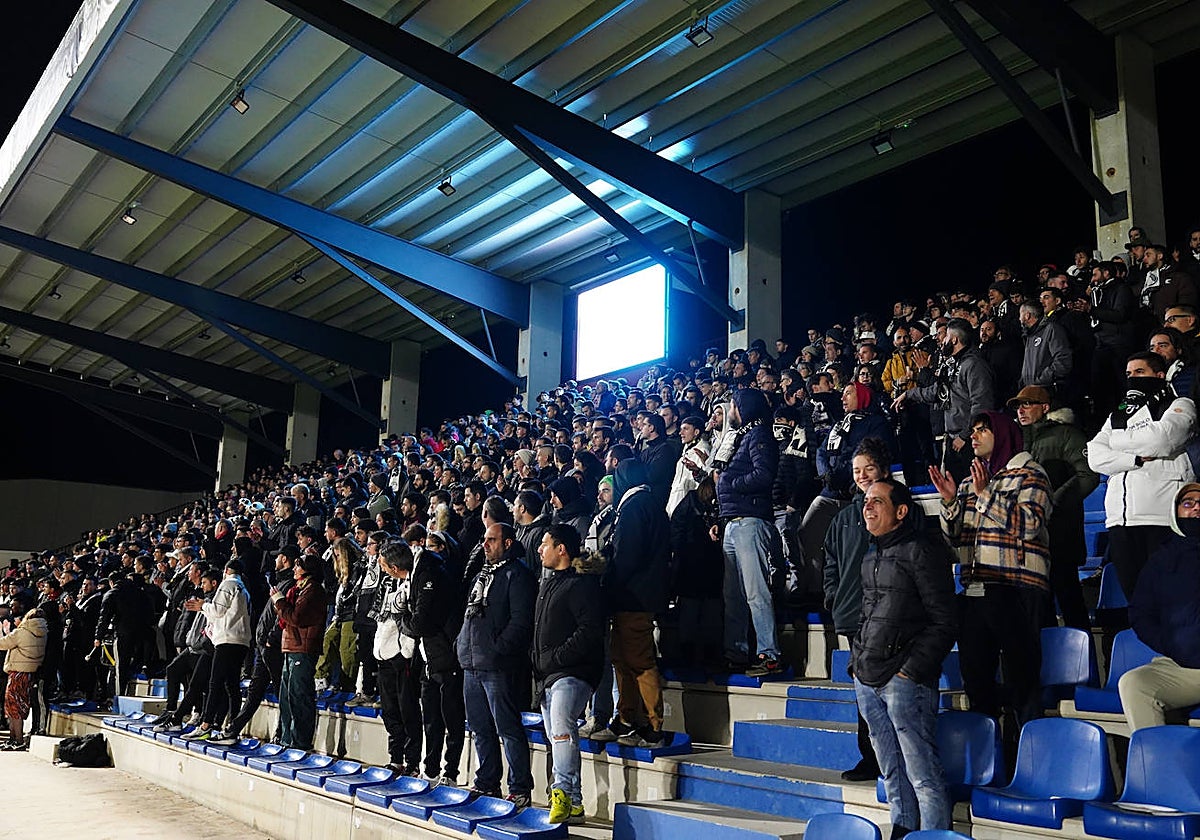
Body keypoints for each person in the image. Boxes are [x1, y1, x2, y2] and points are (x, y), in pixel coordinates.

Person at [931, 411, 1052, 728]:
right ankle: (990, 756)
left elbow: (1028, 524)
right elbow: (955, 537)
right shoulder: (971, 481)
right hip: (976, 590)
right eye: (972, 431)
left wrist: (986, 495)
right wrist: (949, 503)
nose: (974, 436)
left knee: (1022, 679)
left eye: (983, 430)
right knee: (976, 679)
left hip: (1017, 588)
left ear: (1003, 434)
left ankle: (1027, 753)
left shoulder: (1031, 474)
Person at [852, 478, 956, 838]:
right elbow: (866, 616)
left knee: (922, 774)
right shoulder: (870, 557)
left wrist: (909, 672)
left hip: (904, 681)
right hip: (868, 679)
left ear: (900, 511)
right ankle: (903, 830)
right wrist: (857, 666)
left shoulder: (921, 551)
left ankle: (933, 835)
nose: (868, 506)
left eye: (877, 501)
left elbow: (945, 621)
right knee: (892, 772)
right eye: (866, 501)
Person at [1087, 352, 1197, 612]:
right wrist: (1135, 458)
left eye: (1139, 372)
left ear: (1159, 376)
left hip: (1161, 517)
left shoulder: (1179, 404)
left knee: (1172, 602)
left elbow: (1162, 439)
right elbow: (1094, 454)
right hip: (1120, 519)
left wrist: (1115, 441)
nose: (1132, 379)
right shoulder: (1118, 415)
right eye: (1128, 374)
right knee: (1139, 605)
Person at [823, 438, 898, 782]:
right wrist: (833, 596)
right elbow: (830, 563)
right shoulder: (843, 518)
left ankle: (894, 759)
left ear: (883, 470)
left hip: (892, 616)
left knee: (893, 693)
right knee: (864, 696)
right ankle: (870, 758)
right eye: (857, 470)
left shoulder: (899, 508)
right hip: (856, 617)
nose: (863, 475)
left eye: (869, 468)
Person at [456, 522, 537, 808]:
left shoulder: (518, 575)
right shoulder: (481, 575)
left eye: (492, 540)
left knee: (508, 728)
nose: (485, 544)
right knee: (480, 728)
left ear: (508, 543)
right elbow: (468, 615)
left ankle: (519, 788)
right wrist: (461, 645)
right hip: (471, 663)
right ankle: (487, 781)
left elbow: (520, 621)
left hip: (499, 666)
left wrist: (498, 650)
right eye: (484, 539)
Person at [1009, 386, 1099, 631]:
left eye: (1027, 404)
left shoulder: (1067, 434)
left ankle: (1084, 657)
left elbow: (1088, 474)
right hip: (1032, 536)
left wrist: (1053, 502)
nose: (1021, 410)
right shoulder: (1018, 438)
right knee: (1040, 606)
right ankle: (1048, 662)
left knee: (1070, 599)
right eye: (1018, 406)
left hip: (1061, 532)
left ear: (1045, 407)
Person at [533, 525, 605, 826]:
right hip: (548, 675)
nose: (539, 549)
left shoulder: (582, 585)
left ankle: (561, 792)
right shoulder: (549, 583)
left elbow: (589, 631)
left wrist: (557, 657)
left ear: (561, 549)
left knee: (562, 731)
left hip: (572, 673)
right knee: (556, 736)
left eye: (545, 544)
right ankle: (574, 802)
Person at [1118, 484, 1200, 730]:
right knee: (1134, 683)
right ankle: (1154, 767)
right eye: (1188, 503)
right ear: (1175, 512)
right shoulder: (1161, 560)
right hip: (1180, 665)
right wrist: (1171, 644)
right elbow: (1141, 613)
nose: (1196, 507)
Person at [713, 388, 781, 676]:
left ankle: (770, 655)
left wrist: (731, 484)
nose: (730, 411)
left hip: (751, 521)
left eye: (733, 406)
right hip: (733, 523)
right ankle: (737, 653)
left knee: (756, 592)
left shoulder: (759, 435)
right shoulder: (741, 437)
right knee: (734, 595)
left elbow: (764, 474)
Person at [604, 459, 671, 745]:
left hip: (634, 599)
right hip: (635, 598)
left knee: (638, 661)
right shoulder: (649, 503)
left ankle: (654, 727)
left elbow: (627, 557)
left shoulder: (634, 507)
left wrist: (608, 578)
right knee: (622, 659)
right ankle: (626, 718)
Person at [211, 545, 297, 745]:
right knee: (254, 692)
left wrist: (271, 638)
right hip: (264, 646)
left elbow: (281, 616)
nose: (274, 561)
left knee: (280, 692)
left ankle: (283, 735)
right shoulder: (280, 583)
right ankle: (233, 730)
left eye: (278, 557)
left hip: (272, 647)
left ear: (285, 559)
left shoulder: (289, 584)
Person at [897, 318, 996, 485]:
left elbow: (982, 405)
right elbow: (937, 392)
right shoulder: (953, 364)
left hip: (969, 441)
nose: (942, 341)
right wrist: (908, 394)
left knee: (972, 492)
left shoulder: (974, 365)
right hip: (952, 438)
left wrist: (965, 436)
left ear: (954, 339)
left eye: (946, 337)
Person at [183, 558, 252, 741]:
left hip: (227, 641)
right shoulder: (243, 588)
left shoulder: (228, 584)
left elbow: (217, 611)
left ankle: (206, 725)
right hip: (241, 641)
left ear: (227, 570)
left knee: (215, 683)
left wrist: (202, 606)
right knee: (232, 686)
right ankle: (231, 729)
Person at [373, 540, 425, 776]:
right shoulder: (387, 583)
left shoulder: (412, 585)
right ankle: (396, 758)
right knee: (390, 711)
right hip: (383, 655)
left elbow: (409, 618)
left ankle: (412, 762)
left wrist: (406, 651)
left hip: (401, 656)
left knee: (408, 711)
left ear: (394, 566)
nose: (381, 568)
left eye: (384, 564)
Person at [271, 553, 329, 750]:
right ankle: (287, 739)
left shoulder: (313, 591)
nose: (294, 569)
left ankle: (300, 742)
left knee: (299, 696)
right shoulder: (298, 590)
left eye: (298, 566)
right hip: (290, 646)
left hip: (303, 648)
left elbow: (296, 617)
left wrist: (279, 601)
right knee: (286, 697)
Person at [0, 599, 47, 751]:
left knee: (13, 708)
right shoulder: (43, 632)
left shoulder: (22, 632)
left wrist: (7, 632)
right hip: (30, 673)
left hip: (17, 673)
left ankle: (17, 740)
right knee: (19, 706)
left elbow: (3, 644)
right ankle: (14, 739)